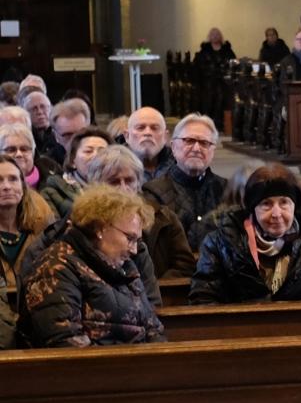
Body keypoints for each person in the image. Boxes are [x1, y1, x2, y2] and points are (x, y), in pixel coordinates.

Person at [20, 184, 164, 348]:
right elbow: (65, 341)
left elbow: (153, 328)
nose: (134, 250)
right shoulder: (55, 266)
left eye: (137, 241)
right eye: (129, 238)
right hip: (94, 370)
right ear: (100, 228)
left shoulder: (125, 267)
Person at [191, 164, 301, 304]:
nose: (276, 213)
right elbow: (204, 299)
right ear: (252, 209)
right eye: (266, 204)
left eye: (284, 202)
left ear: (295, 206)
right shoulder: (219, 243)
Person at [85, 145, 194, 291]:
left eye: (129, 180)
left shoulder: (163, 218)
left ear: (138, 183)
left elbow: (184, 266)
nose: (123, 189)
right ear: (96, 185)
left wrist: (151, 287)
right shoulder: (84, 221)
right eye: (114, 182)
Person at [143, 114, 224, 250]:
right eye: (189, 141)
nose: (196, 148)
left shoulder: (226, 190)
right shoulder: (153, 192)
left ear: (213, 151)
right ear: (173, 147)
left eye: (204, 143)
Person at [0, 154, 56, 314]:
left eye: (13, 179)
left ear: (23, 187)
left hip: (36, 309)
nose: (6, 186)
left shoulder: (42, 224)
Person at [39, 126, 110, 219]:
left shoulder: (123, 186)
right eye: (88, 151)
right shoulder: (52, 192)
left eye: (103, 151)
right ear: (72, 161)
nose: (96, 156)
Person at [0, 120, 58, 186]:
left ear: (33, 152)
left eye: (24, 149)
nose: (19, 154)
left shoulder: (54, 178)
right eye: (11, 150)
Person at [124, 106, 174, 181]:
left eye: (154, 128)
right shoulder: (112, 168)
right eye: (140, 127)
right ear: (127, 136)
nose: (148, 133)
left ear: (165, 136)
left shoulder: (180, 166)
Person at [23, 91, 63, 166]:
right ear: (26, 113)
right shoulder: (24, 138)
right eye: (34, 109)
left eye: (43, 107)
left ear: (51, 109)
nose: (40, 112)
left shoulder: (61, 133)